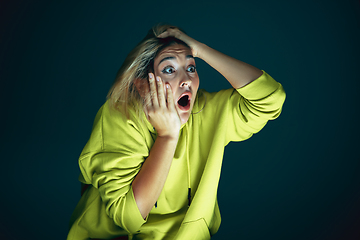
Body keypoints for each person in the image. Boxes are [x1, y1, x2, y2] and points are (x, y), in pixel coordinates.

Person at [67, 24, 286, 240]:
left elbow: (271, 98)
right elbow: (128, 218)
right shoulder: (119, 116)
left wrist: (199, 50)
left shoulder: (207, 110)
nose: (187, 80)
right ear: (143, 84)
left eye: (191, 68)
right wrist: (168, 136)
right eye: (169, 70)